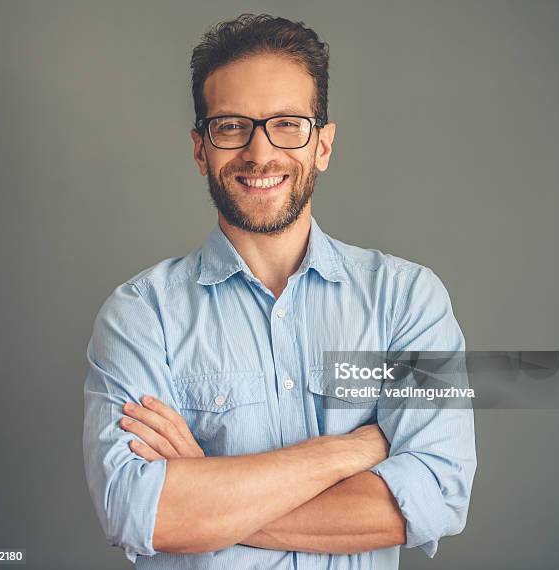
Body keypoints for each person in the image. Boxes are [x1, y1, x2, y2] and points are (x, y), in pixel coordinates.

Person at [82, 13, 477, 570]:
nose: (260, 152)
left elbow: (436, 494)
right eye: (230, 125)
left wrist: (205, 491)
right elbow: (138, 513)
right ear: (201, 149)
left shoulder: (409, 301)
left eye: (288, 123)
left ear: (323, 145)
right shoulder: (140, 316)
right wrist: (352, 449)